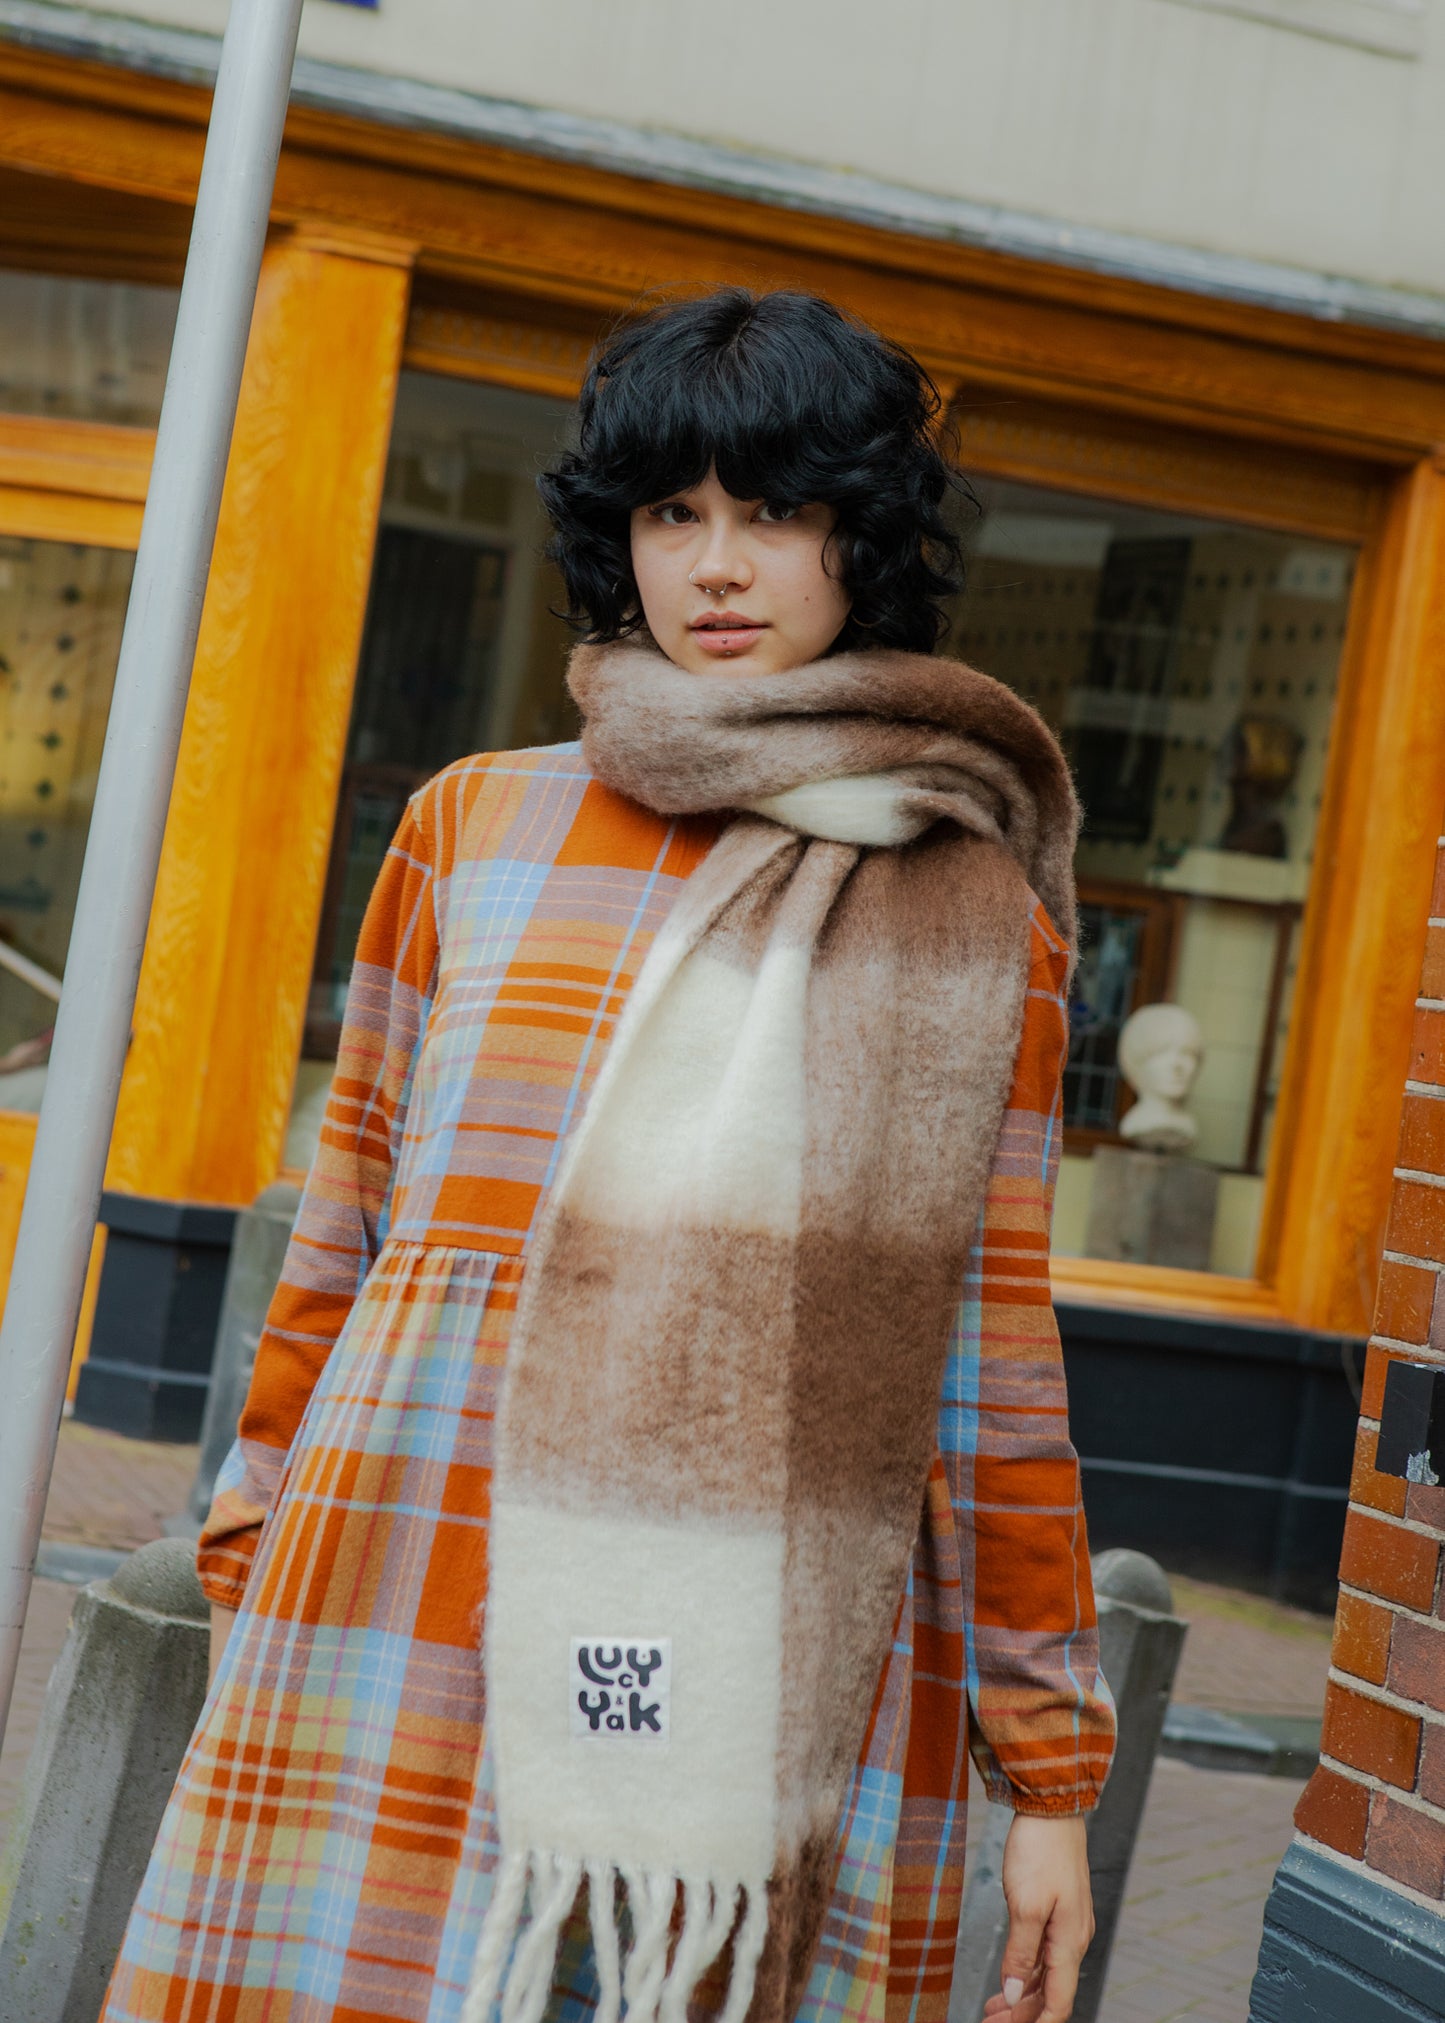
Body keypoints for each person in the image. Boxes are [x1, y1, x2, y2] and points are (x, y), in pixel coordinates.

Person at [103, 288, 1115, 2023]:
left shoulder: (968, 909)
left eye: (774, 513)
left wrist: (1049, 1780)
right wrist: (252, 1546)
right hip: (411, 1551)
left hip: (759, 1619)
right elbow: (346, 1229)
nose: (715, 566)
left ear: (863, 539)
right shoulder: (472, 824)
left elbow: (990, 1360)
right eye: (669, 512)